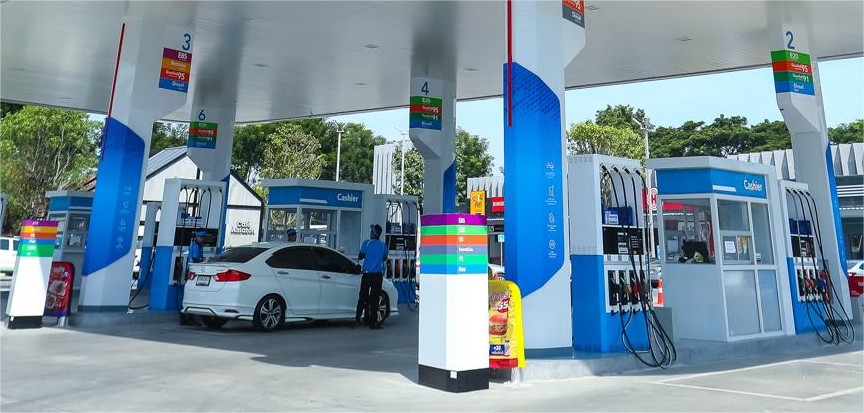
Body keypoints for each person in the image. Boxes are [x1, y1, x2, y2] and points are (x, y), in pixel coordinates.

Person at [355, 224, 387, 329]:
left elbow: (360, 256)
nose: (370, 233)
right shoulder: (383, 245)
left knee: (362, 297)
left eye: (372, 232)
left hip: (367, 275)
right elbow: (384, 258)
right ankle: (373, 323)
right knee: (374, 299)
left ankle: (357, 319)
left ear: (374, 234)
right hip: (377, 276)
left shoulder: (366, 243)